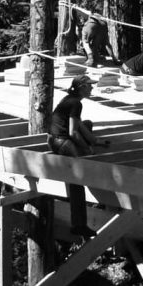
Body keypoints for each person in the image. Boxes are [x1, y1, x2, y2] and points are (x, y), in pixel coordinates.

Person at [49, 74, 110, 239]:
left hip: (54, 139)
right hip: (61, 142)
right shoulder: (76, 103)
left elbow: (80, 126)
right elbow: (73, 133)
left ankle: (84, 150)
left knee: (88, 124)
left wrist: (95, 141)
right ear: (82, 87)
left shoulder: (70, 100)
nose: (92, 88)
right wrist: (87, 149)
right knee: (77, 180)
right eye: (89, 85)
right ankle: (79, 225)